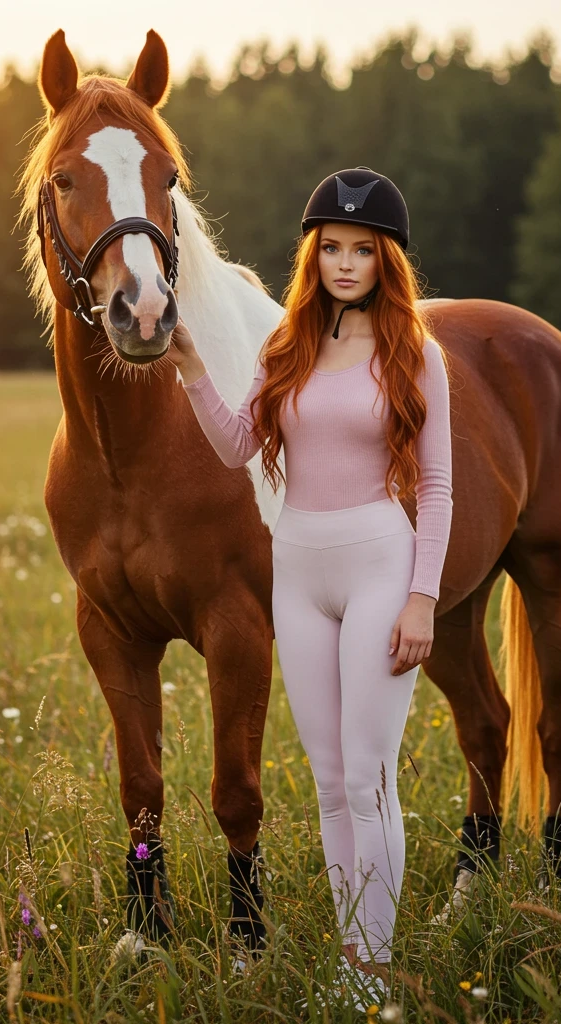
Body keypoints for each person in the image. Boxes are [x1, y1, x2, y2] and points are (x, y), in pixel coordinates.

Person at [168, 167, 453, 1010]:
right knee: (329, 784)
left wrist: (423, 597)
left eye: (362, 250)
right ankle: (350, 958)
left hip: (379, 568)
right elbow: (237, 447)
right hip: (296, 571)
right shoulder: (286, 347)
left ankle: (370, 972)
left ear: (385, 260)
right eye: (332, 248)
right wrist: (193, 371)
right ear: (313, 255)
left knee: (368, 781)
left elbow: (438, 486)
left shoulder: (416, 354)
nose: (345, 264)